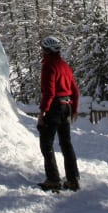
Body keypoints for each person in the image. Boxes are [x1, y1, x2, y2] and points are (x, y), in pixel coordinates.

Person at [36, 35, 80, 192]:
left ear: (46, 50)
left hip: (54, 107)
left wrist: (43, 113)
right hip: (66, 106)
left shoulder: (48, 66)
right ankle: (73, 179)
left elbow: (49, 92)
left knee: (46, 144)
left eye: (42, 49)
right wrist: (74, 109)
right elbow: (74, 89)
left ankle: (53, 180)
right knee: (66, 143)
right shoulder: (64, 66)